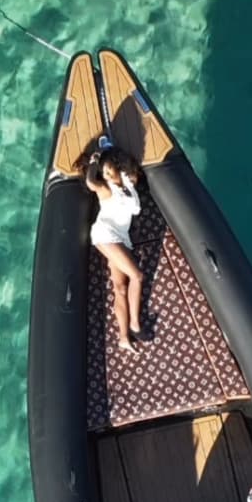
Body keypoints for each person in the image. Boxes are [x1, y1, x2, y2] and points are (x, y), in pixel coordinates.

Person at [86, 146, 144, 352]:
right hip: (105, 234)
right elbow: (91, 182)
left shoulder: (129, 184)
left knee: (120, 288)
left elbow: (133, 174)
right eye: (104, 173)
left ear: (118, 167)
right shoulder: (107, 189)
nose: (107, 175)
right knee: (137, 276)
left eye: (109, 170)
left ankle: (123, 338)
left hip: (121, 238)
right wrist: (94, 163)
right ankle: (135, 324)